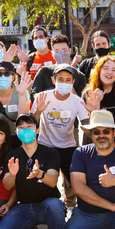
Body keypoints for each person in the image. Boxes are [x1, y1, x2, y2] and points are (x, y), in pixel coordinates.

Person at [0, 114, 64, 229]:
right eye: (21, 128)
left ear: (37, 130)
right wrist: (12, 174)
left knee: (56, 205)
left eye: (30, 127)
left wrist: (40, 174)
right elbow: (7, 184)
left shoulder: (50, 153)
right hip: (24, 207)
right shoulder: (12, 155)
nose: (26, 131)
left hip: (47, 204)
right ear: (16, 132)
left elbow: (52, 181)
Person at [32, 64, 90, 203]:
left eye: (68, 80)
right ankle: (47, 205)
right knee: (44, 179)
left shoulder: (77, 101)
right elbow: (31, 124)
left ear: (73, 82)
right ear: (53, 80)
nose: (64, 83)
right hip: (45, 145)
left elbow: (87, 124)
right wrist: (39, 111)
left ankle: (71, 205)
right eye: (60, 79)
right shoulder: (42, 97)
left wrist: (93, 110)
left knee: (72, 180)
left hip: (68, 145)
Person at [31, 34, 86, 102]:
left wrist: (73, 94)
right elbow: (34, 93)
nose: (60, 54)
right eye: (57, 51)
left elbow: (83, 101)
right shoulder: (44, 72)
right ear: (52, 53)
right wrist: (44, 98)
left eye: (64, 51)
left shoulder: (80, 76)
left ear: (70, 51)